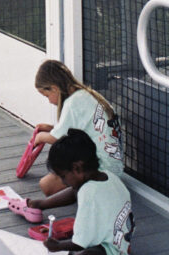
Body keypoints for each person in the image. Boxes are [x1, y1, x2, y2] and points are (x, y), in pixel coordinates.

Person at [29, 129, 133, 255]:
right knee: (76, 190)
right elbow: (74, 192)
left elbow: (79, 244)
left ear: (77, 168)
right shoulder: (108, 177)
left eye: (63, 176)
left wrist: (58, 246)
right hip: (124, 245)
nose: (63, 182)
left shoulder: (88, 193)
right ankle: (41, 204)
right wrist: (41, 204)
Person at [31, 59, 123, 194]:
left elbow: (57, 139)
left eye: (47, 96)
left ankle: (86, 188)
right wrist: (51, 128)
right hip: (115, 167)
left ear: (54, 88)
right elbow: (79, 128)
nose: (49, 101)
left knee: (46, 185)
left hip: (102, 169)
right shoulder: (84, 95)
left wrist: (40, 137)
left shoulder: (72, 103)